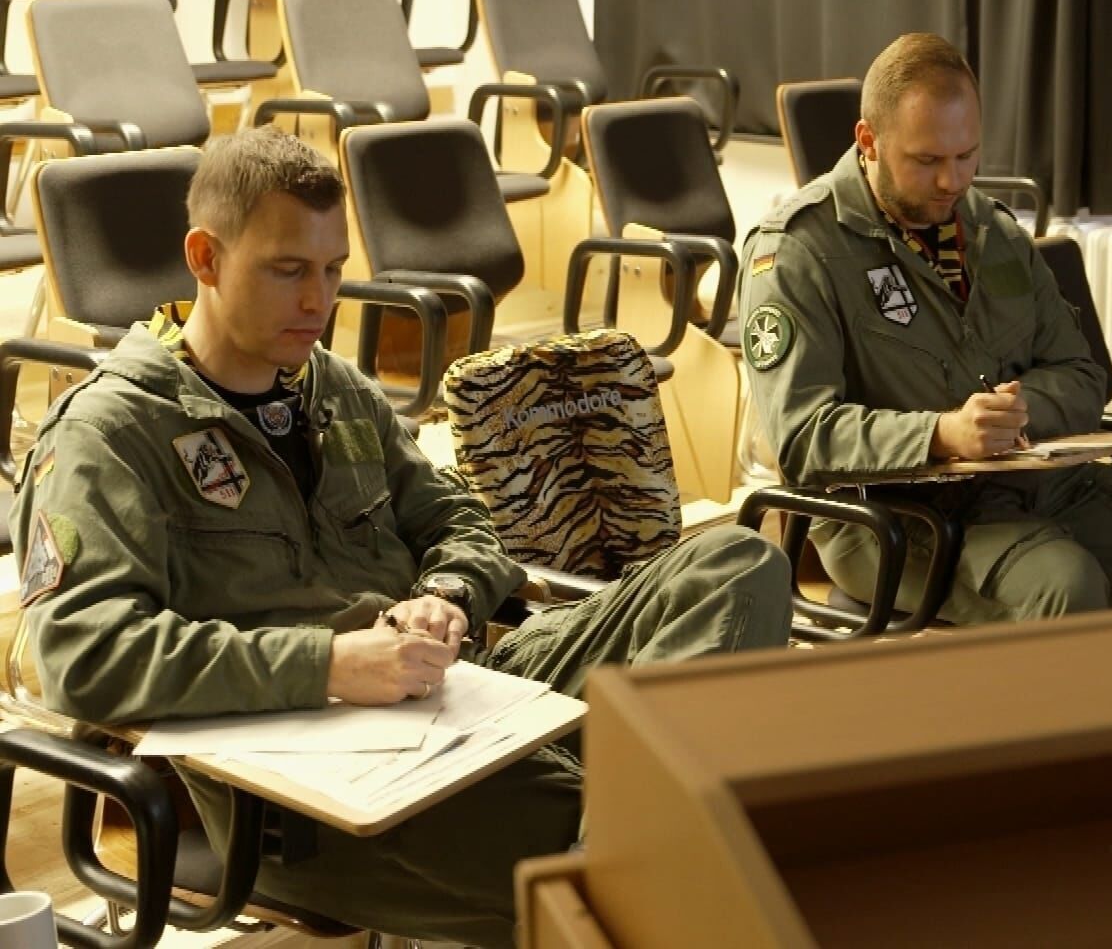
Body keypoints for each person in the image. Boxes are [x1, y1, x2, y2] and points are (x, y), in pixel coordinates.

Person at [14, 128, 792, 949]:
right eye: (288, 271)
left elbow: (461, 522)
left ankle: (618, 850)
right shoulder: (112, 432)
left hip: (446, 693)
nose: (318, 301)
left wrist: (445, 595)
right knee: (677, 835)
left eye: (332, 269)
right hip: (299, 786)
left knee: (736, 562)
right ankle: (624, 856)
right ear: (205, 258)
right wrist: (327, 664)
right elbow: (80, 656)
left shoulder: (331, 388)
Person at [739, 33, 1112, 624]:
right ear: (869, 141)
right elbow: (802, 437)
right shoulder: (799, 251)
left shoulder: (992, 232)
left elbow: (1081, 373)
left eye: (967, 156)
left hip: (1033, 479)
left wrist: (1017, 413)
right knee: (1066, 590)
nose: (952, 181)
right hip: (893, 512)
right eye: (927, 161)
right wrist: (941, 434)